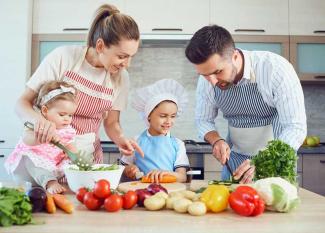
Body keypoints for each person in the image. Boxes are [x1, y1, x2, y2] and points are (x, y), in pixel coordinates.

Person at [15, 4, 143, 164]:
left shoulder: (121, 77)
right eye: (122, 56)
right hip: (48, 157)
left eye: (131, 57)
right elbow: (22, 103)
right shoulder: (63, 57)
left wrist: (121, 139)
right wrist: (38, 121)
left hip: (85, 159)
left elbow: (111, 123)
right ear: (100, 46)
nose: (127, 64)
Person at [185, 25, 307, 183]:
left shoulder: (275, 69)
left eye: (217, 72)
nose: (212, 82)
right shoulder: (207, 80)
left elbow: (295, 127)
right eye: (205, 75)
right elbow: (203, 120)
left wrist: (263, 162)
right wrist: (217, 140)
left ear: (235, 56)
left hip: (274, 164)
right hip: (235, 163)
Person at [5, 81, 79, 194]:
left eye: (70, 115)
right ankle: (50, 182)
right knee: (29, 156)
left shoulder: (66, 130)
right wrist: (41, 137)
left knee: (69, 161)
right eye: (62, 114)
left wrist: (72, 153)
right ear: (45, 111)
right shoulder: (36, 123)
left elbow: (70, 145)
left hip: (52, 167)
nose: (67, 119)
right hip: (28, 172)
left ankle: (54, 181)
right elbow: (26, 139)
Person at [120, 79, 190, 183]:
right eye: (163, 116)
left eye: (173, 116)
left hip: (169, 192)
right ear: (148, 116)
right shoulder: (136, 141)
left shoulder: (178, 145)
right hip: (141, 190)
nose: (168, 121)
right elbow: (124, 167)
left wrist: (166, 173)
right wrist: (130, 169)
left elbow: (182, 177)